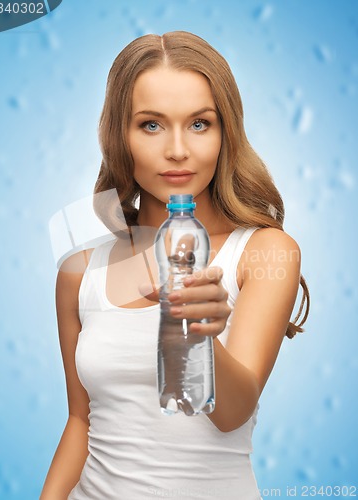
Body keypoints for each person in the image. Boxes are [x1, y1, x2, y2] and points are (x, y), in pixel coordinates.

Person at [40, 31, 310, 499]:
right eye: (151, 125)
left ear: (226, 132)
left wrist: (201, 329)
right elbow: (80, 422)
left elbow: (232, 412)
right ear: (117, 137)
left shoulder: (265, 252)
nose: (178, 149)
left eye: (200, 124)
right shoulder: (80, 272)